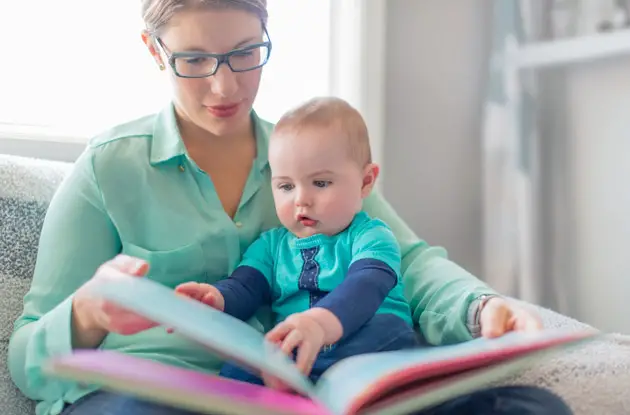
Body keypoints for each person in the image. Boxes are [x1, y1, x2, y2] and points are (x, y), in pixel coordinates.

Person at [6, 1, 572, 414]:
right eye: (196, 59)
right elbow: (26, 356)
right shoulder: (109, 168)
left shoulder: (311, 160)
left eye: (245, 53)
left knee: (527, 408)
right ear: (155, 50)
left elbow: (410, 262)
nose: (224, 86)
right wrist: (90, 312)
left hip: (296, 387)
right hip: (152, 395)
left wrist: (479, 308)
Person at [174, 96, 420, 387]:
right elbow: (244, 286)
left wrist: (318, 323)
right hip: (298, 350)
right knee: (237, 369)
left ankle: (315, 382)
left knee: (387, 331)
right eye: (287, 186)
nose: (301, 199)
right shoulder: (271, 246)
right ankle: (291, 389)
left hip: (369, 337)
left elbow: (366, 285)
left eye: (321, 183)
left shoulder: (370, 236)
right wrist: (216, 299)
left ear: (366, 182)